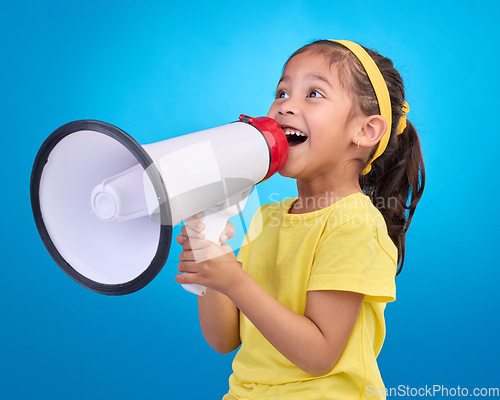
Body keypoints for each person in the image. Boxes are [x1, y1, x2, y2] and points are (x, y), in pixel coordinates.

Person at [175, 39, 425, 400]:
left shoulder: (354, 224)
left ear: (366, 131)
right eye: (281, 92)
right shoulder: (268, 216)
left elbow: (319, 355)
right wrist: (212, 264)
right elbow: (223, 339)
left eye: (314, 94)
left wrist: (234, 281)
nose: (285, 106)